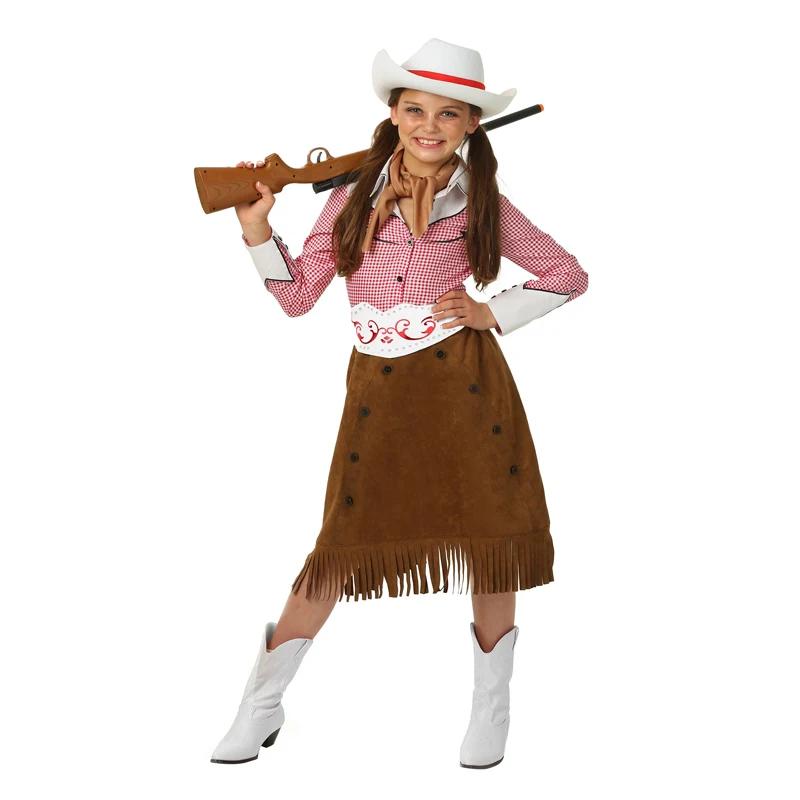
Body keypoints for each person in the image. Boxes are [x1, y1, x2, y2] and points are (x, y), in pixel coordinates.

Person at [210, 38, 588, 769]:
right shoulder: (351, 196)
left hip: (468, 389)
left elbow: (567, 274)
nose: (429, 126)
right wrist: (257, 230)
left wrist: (492, 311)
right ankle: (260, 706)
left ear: (471, 124)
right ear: (392, 113)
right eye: (415, 109)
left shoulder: (483, 202)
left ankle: (491, 710)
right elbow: (297, 297)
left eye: (448, 113)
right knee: (336, 550)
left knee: (491, 544)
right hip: (378, 394)